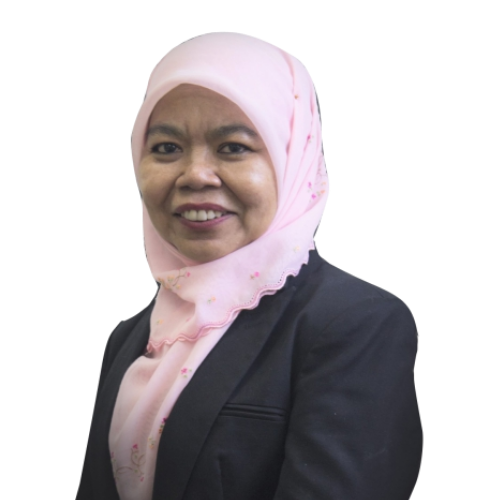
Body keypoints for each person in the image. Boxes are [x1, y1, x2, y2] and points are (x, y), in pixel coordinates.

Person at [76, 32, 423, 500]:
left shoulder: (355, 324)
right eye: (167, 148)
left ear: (293, 159)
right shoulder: (132, 335)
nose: (195, 174)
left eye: (233, 147)